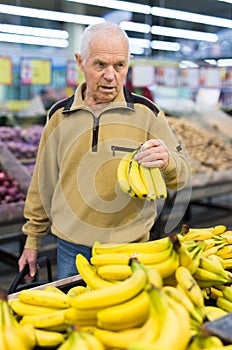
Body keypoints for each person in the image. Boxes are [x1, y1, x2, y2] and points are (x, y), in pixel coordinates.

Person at [18, 22, 191, 280]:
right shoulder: (59, 116)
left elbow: (183, 174)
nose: (111, 75)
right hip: (71, 248)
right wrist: (32, 239)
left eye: (119, 65)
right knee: (77, 316)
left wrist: (167, 162)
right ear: (80, 62)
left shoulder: (148, 114)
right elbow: (44, 182)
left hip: (131, 246)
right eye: (100, 65)